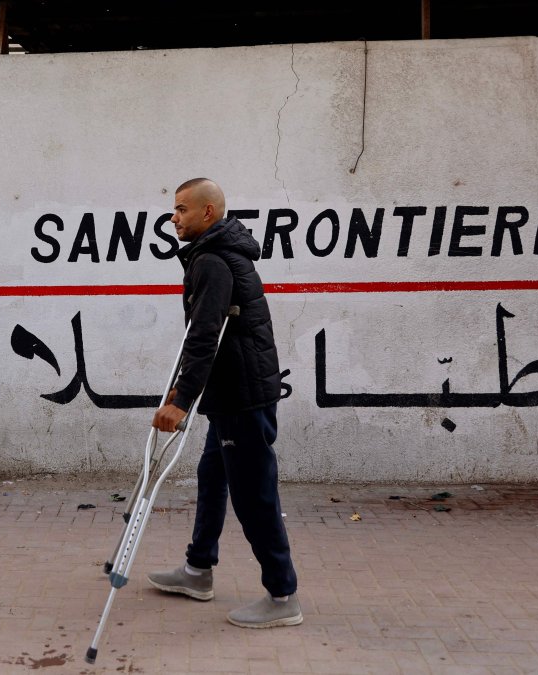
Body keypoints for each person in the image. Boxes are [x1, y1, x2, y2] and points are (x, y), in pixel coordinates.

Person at [147, 178, 301, 628]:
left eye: (181, 210)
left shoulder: (212, 261)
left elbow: (204, 335)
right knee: (212, 477)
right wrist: (186, 389)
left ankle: (282, 594)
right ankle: (198, 570)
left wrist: (181, 401)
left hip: (241, 397)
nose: (173, 218)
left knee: (254, 495)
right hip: (232, 392)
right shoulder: (216, 255)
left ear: (208, 212)